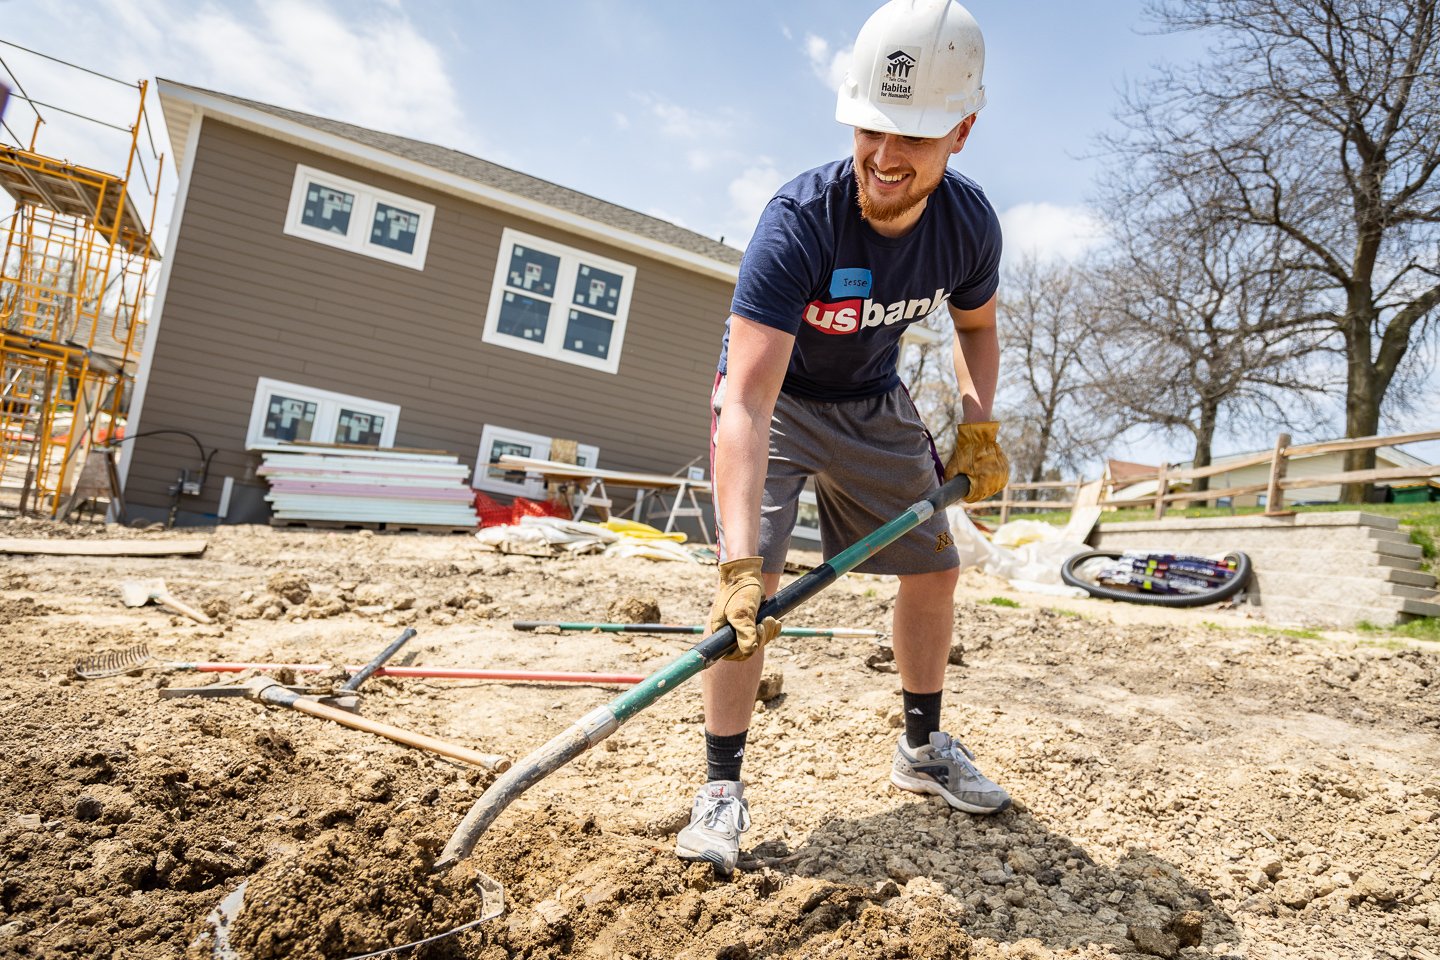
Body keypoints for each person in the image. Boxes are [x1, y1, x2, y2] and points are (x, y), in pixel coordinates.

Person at [674, 0, 1012, 875]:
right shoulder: (801, 221)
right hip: (779, 403)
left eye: (916, 136)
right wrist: (739, 567)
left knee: (936, 569)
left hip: (870, 399)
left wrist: (978, 427)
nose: (886, 156)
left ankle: (923, 750)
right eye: (872, 127)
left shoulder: (968, 228)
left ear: (963, 132)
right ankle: (720, 786)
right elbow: (743, 403)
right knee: (750, 599)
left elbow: (976, 327)